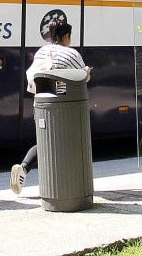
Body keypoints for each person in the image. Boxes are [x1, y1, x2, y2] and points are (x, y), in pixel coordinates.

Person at [10, 21, 90, 194]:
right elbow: (82, 78)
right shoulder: (71, 53)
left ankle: (23, 168)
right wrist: (87, 72)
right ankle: (65, 185)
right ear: (67, 36)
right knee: (63, 143)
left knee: (45, 141)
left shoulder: (41, 52)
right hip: (64, 106)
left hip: (41, 104)